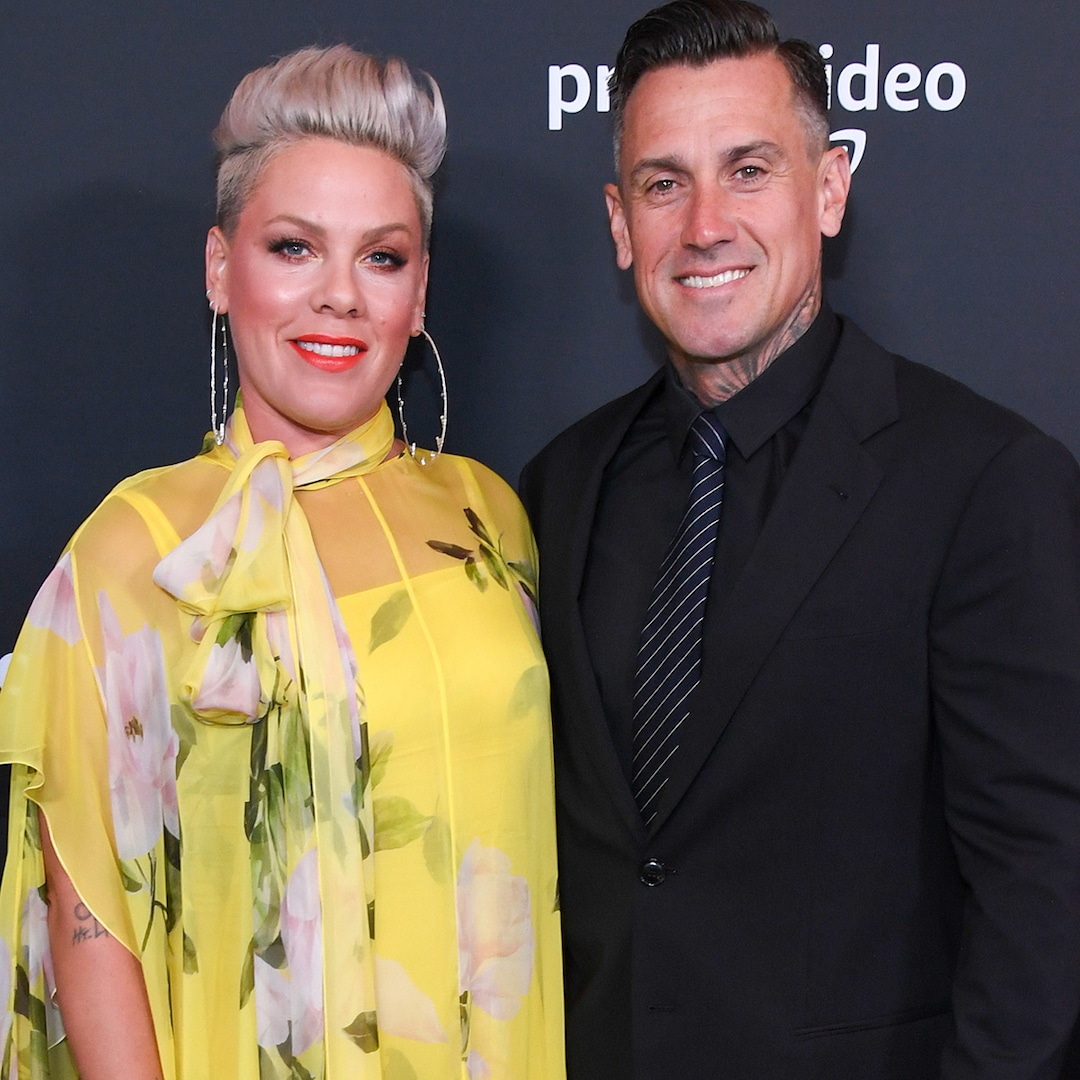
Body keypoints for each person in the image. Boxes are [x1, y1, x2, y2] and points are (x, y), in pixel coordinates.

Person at [519, 2, 1080, 1077]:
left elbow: (1044, 884)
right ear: (620, 222)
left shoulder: (984, 482)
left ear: (829, 190)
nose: (705, 225)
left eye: (749, 171)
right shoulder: (560, 487)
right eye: (664, 184)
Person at [0, 45, 564, 1080]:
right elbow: (91, 926)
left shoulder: (491, 519)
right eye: (295, 248)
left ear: (420, 292)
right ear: (221, 269)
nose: (339, 296)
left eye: (381, 258)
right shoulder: (133, 554)